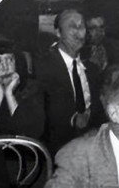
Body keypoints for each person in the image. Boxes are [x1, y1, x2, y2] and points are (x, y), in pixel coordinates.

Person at [36, 9, 103, 154]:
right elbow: (40, 115)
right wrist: (72, 120)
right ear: (58, 33)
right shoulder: (42, 68)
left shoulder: (92, 70)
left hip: (90, 145)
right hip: (55, 148)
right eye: (72, 26)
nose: (79, 32)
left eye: (82, 26)